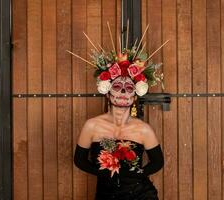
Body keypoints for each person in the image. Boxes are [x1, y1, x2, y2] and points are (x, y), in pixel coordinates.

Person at [71, 23, 167, 199]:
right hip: (107, 194)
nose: (123, 92)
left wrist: (137, 174)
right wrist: (101, 173)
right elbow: (79, 160)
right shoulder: (92, 126)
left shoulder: (143, 129)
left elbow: (158, 162)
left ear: (135, 95)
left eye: (128, 88)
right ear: (107, 93)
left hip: (140, 194)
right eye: (117, 86)